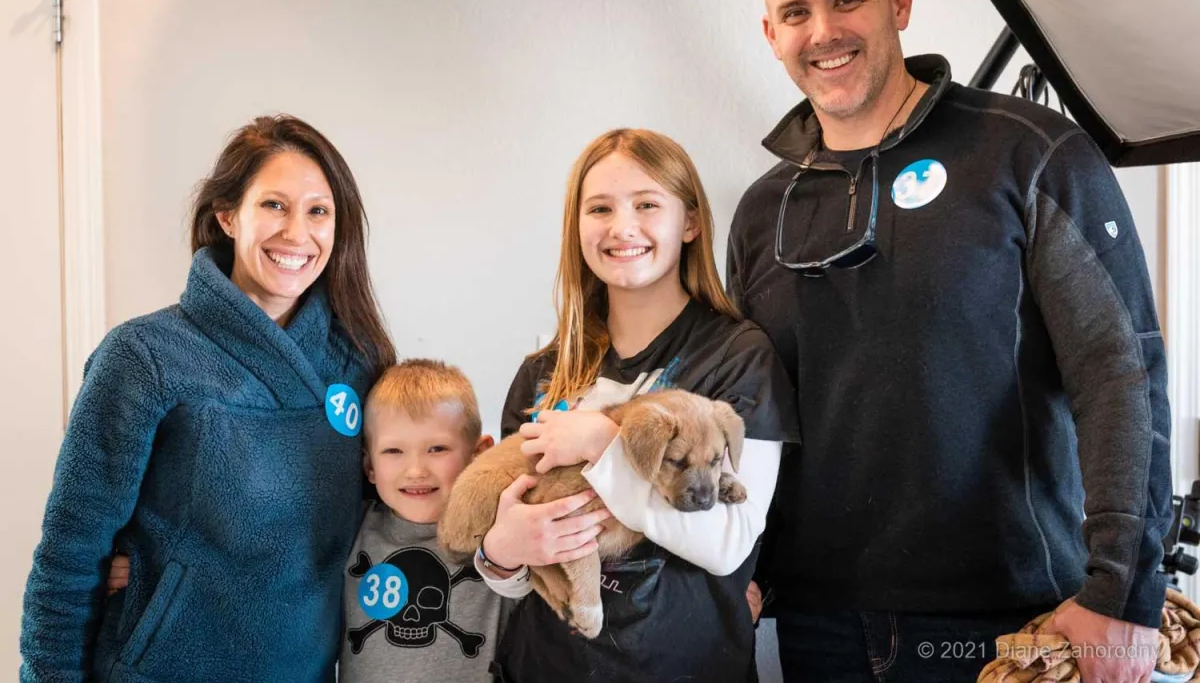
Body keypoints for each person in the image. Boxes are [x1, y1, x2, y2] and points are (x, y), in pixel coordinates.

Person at [728, 0, 1171, 682]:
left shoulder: (1029, 152)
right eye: (796, 13)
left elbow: (1118, 370)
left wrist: (1123, 590)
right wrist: (741, 560)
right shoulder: (764, 209)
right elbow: (753, 413)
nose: (824, 31)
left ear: (898, 4)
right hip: (816, 624)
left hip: (1011, 618)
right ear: (771, 35)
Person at [20, 115, 396, 682]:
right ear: (227, 216)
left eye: (319, 211)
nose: (297, 232)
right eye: (274, 205)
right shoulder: (143, 356)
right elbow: (69, 557)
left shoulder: (358, 362)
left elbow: (400, 510)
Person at [475, 128, 798, 682]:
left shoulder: (739, 358)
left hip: (685, 668)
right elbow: (515, 574)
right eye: (599, 208)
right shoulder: (544, 374)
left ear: (690, 223)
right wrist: (499, 552)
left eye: (647, 204)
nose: (621, 227)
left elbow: (727, 546)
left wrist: (604, 442)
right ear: (577, 228)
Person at [340, 358, 512, 683]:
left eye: (436, 448)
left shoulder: (498, 533)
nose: (416, 470)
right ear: (369, 466)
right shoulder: (351, 529)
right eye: (393, 451)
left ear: (479, 454)